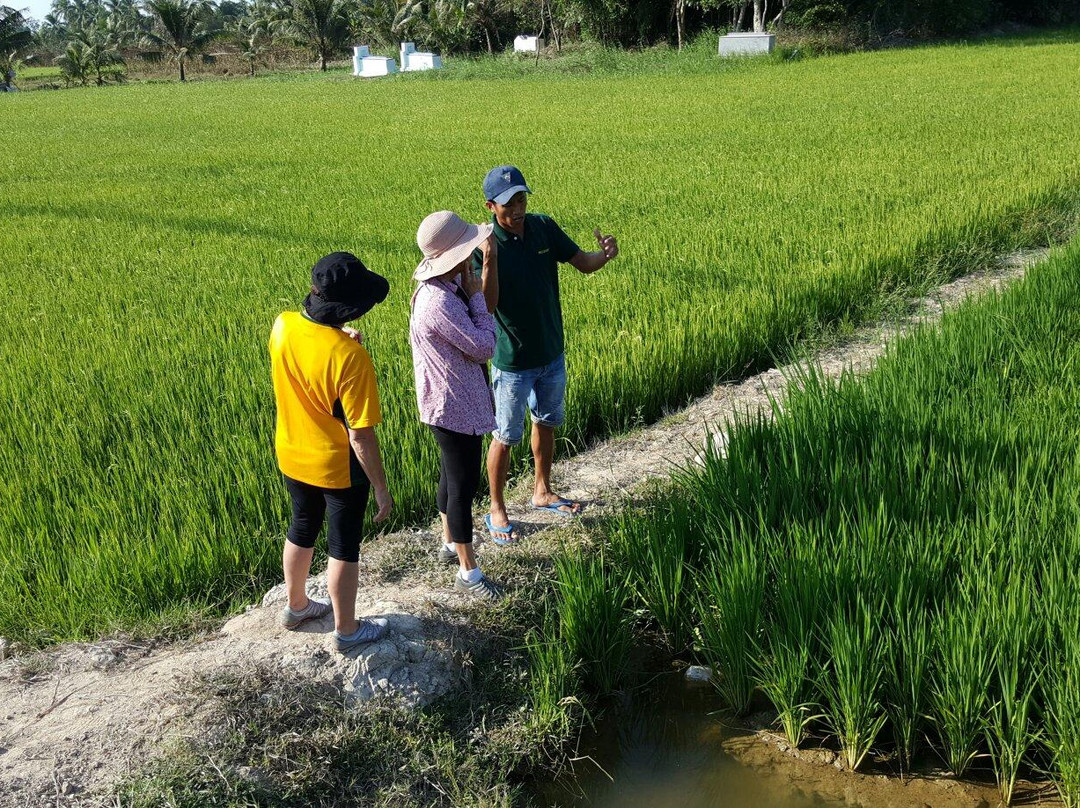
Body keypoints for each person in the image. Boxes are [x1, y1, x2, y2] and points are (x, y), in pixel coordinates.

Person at [473, 165, 619, 543]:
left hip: (551, 350)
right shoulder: (482, 244)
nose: (517, 208)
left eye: (521, 199)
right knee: (505, 435)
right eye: (508, 203)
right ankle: (497, 508)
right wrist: (489, 259)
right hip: (512, 361)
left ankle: (542, 490)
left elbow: (582, 263)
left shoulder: (543, 227)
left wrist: (603, 256)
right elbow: (486, 307)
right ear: (490, 206)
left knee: (547, 422)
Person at [268, 251, 394, 653]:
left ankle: (297, 606)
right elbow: (360, 436)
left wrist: (337, 335)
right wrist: (380, 486)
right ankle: (347, 631)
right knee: (344, 546)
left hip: (291, 452)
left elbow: (310, 352)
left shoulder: (283, 325)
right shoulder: (351, 358)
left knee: (302, 525)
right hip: (337, 465)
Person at [410, 211, 504, 600]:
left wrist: (468, 290)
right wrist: (479, 297)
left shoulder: (440, 288)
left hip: (445, 402)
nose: (473, 257)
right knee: (463, 486)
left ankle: (450, 542)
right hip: (454, 405)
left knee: (451, 478)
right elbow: (484, 347)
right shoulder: (441, 302)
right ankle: (469, 572)